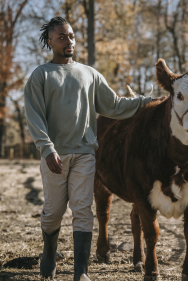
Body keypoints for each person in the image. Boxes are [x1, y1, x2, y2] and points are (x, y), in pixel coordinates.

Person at [24, 17, 152, 281]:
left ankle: (81, 272)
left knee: (83, 209)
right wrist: (47, 149)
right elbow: (34, 116)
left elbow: (114, 106)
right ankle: (49, 252)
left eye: (71, 36)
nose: (68, 41)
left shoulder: (89, 74)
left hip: (85, 153)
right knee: (54, 211)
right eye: (61, 37)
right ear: (50, 42)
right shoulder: (40, 76)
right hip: (55, 156)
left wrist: (147, 103)